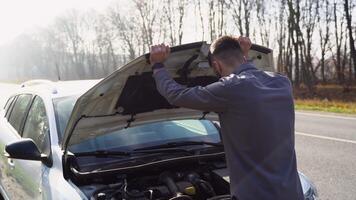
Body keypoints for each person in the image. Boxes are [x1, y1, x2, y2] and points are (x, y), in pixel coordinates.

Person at [149, 36, 304, 200]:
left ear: (216, 65)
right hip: (292, 193)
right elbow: (252, 82)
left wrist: (157, 65)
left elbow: (176, 95)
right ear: (243, 58)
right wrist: (244, 57)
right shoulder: (282, 82)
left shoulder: (230, 89)